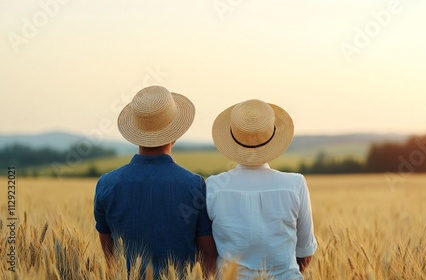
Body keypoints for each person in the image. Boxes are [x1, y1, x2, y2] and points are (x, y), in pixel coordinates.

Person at [93, 85, 217, 279]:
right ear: (175, 134)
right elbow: (208, 258)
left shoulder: (107, 184)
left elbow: (109, 259)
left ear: (136, 134)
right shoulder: (195, 185)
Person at [206, 99, 318, 279]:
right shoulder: (295, 184)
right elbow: (305, 252)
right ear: (272, 138)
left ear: (232, 138)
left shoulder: (213, 186)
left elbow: (207, 253)